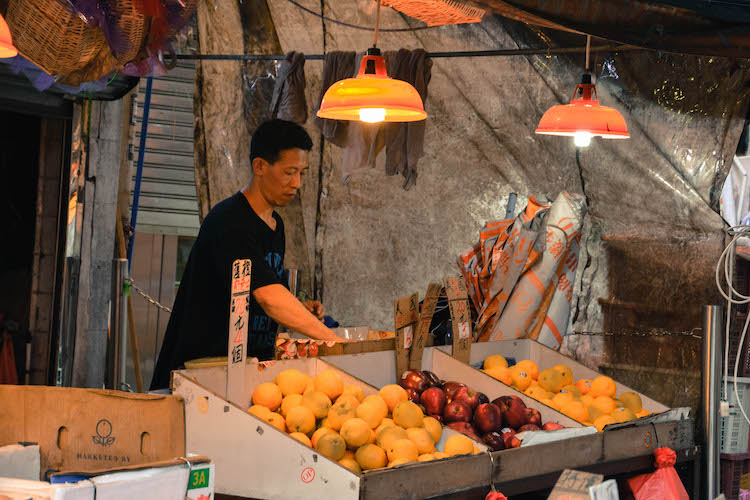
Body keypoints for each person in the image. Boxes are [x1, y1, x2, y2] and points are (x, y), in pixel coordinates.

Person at [150, 120, 341, 390]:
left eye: (303, 173)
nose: (297, 183)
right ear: (260, 166)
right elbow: (269, 298)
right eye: (289, 172)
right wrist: (333, 341)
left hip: (248, 372)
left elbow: (270, 288)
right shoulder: (229, 221)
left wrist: (302, 309)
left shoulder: (276, 225)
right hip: (203, 373)